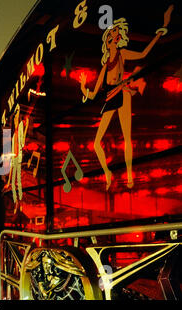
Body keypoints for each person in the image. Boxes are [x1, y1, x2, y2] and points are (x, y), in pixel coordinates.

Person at [79, 5, 173, 190]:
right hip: (110, 97)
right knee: (97, 142)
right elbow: (93, 93)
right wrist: (82, 86)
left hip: (122, 93)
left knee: (126, 137)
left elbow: (144, 53)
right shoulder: (106, 64)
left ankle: (130, 175)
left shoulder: (122, 54)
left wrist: (160, 32)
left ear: (117, 38)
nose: (113, 35)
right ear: (108, 41)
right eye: (111, 33)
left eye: (115, 32)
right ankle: (107, 172)